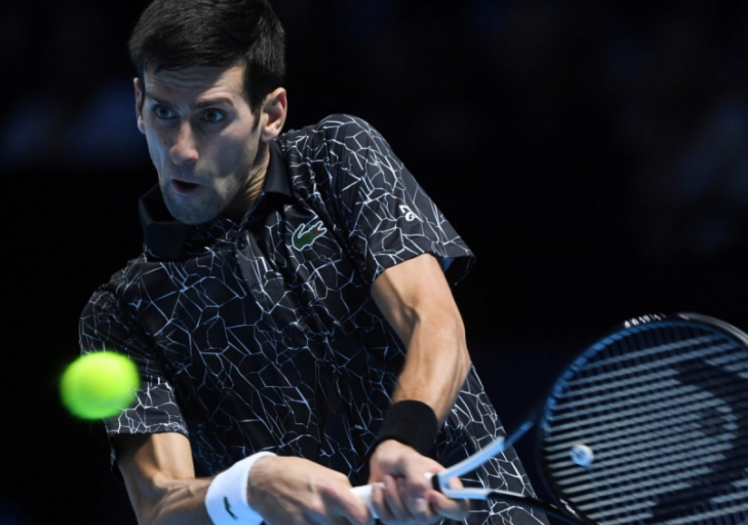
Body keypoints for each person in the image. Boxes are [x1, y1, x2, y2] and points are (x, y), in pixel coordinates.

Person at [77, 1, 546, 525]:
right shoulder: (123, 311)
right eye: (164, 112)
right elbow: (159, 504)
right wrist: (249, 486)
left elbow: (433, 323)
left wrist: (403, 440)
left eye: (212, 116)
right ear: (138, 104)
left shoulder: (337, 157)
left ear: (271, 114)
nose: (182, 151)